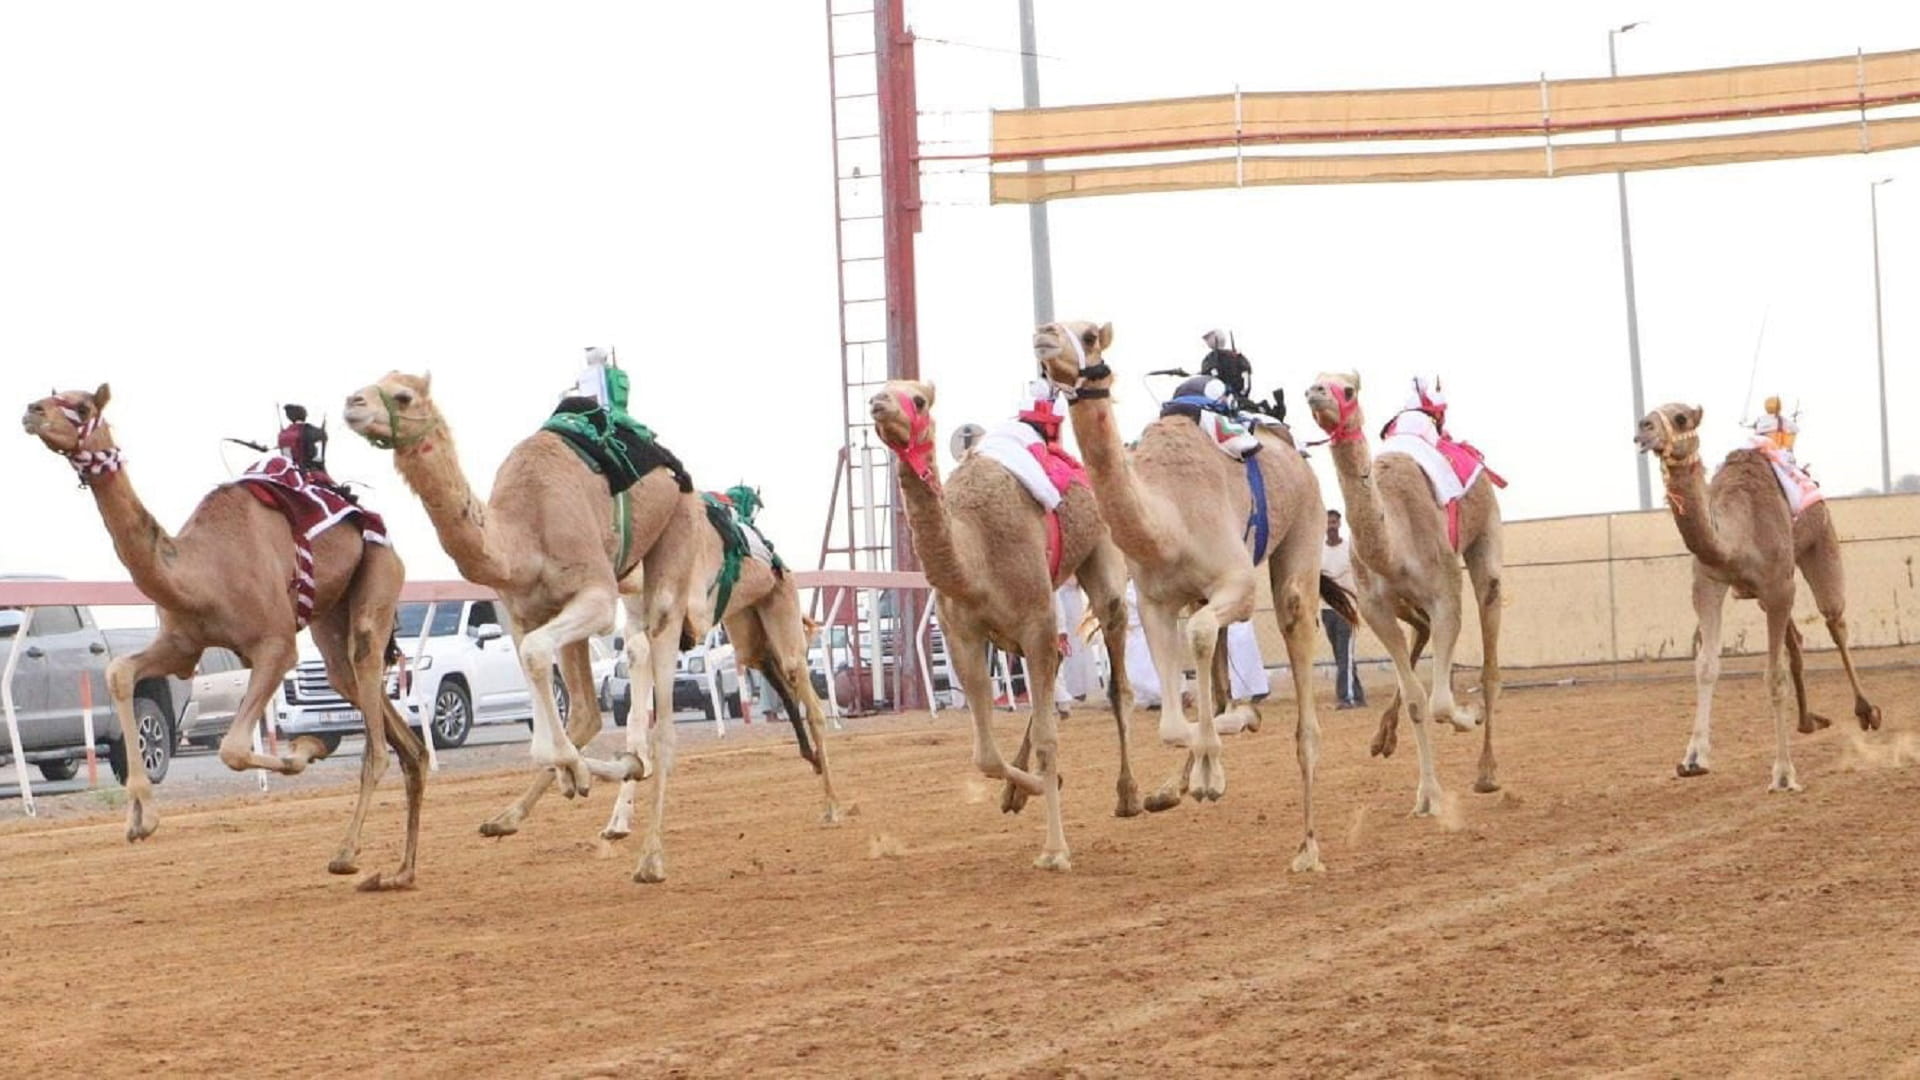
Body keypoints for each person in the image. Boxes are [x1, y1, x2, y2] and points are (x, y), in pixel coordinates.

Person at [1321, 509, 1365, 709]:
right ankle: (1357, 694)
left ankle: (1345, 697)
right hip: (1326, 610)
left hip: (1347, 610)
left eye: (1334, 523)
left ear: (1339, 525)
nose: (1331, 526)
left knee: (1345, 655)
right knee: (1341, 655)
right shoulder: (1318, 552)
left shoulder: (1350, 550)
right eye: (1328, 523)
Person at [1198, 329, 1252, 408]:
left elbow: (1245, 379)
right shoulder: (1209, 359)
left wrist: (1238, 397)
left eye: (1208, 338)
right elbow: (1205, 379)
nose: (1206, 341)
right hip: (1213, 399)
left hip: (1234, 400)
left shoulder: (1236, 357)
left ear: (1216, 337)